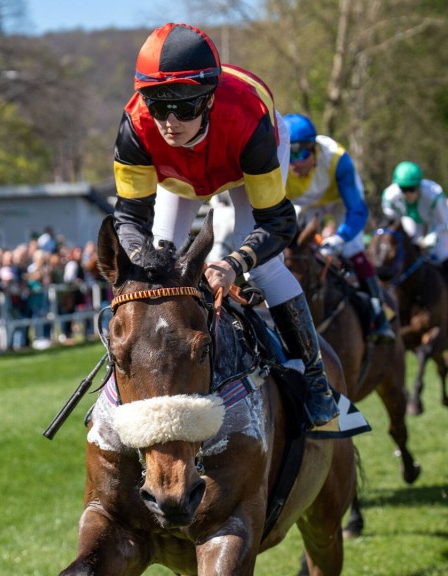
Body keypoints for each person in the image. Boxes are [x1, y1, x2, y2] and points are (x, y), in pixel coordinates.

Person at [111, 23, 337, 426]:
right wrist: (143, 257)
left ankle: (315, 378)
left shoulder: (247, 120)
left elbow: (278, 222)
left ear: (209, 99)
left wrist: (234, 263)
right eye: (158, 105)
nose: (170, 122)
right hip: (178, 176)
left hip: (241, 163)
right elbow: (128, 217)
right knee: (154, 269)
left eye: (184, 105)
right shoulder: (135, 125)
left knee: (266, 267)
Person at [283, 112, 395, 341]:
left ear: (314, 148)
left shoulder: (337, 159)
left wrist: (340, 237)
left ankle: (378, 313)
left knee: (352, 249)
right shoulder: (275, 161)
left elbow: (358, 210)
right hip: (304, 205)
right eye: (289, 153)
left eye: (302, 152)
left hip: (340, 201)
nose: (295, 162)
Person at [381, 161, 448, 311]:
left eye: (412, 189)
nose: (408, 194)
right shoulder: (390, 196)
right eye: (403, 189)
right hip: (411, 221)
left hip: (435, 224)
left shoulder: (434, 194)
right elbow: (393, 220)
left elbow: (444, 221)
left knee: (443, 254)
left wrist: (431, 239)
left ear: (419, 185)